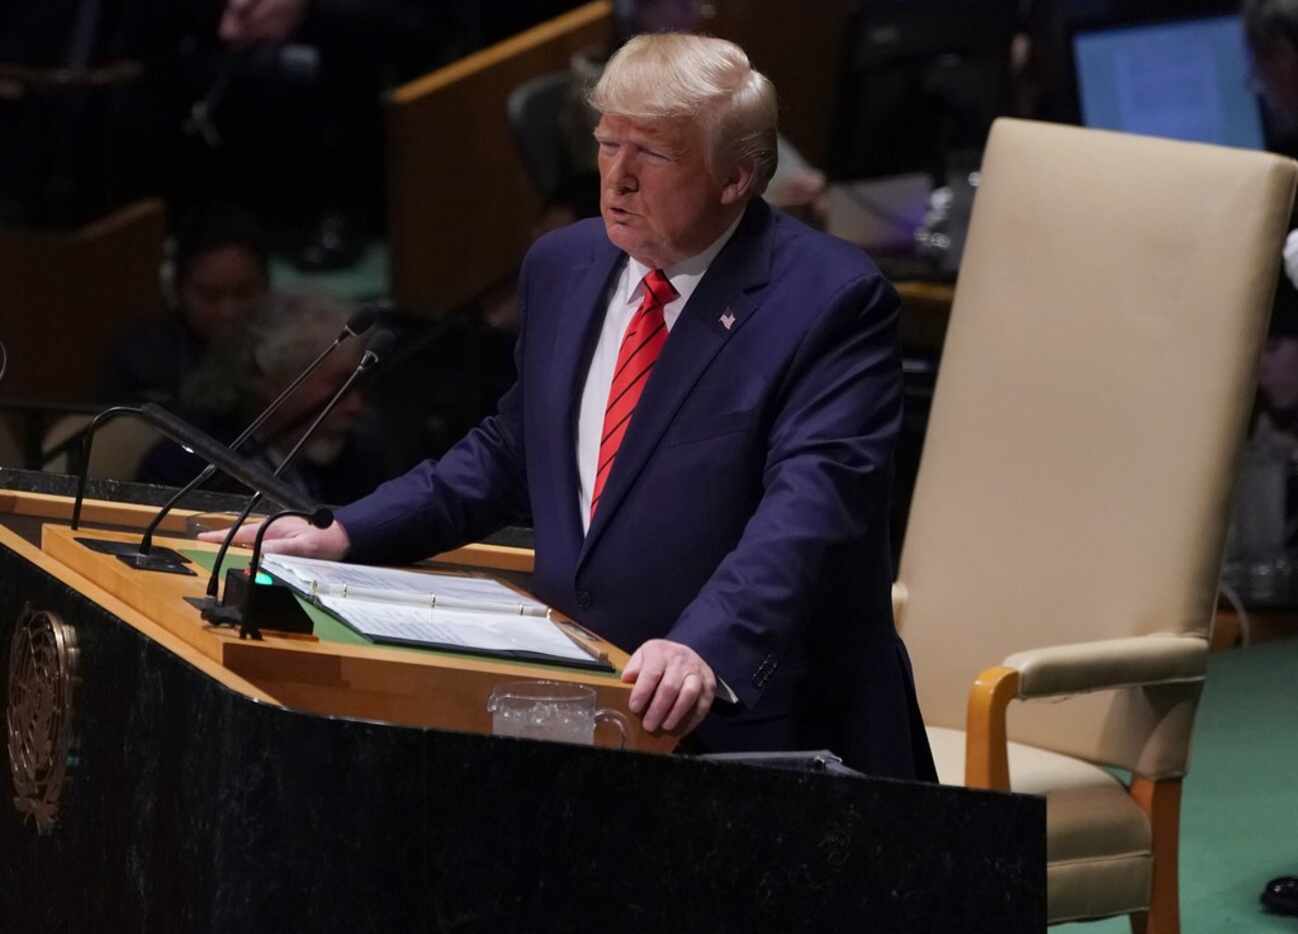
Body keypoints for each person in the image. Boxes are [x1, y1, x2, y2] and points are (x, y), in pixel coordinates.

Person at [209, 34, 936, 780]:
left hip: (758, 725)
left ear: (735, 178)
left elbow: (811, 511)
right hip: (583, 709)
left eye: (650, 155)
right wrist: (345, 533)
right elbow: (510, 451)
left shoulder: (830, 301)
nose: (616, 178)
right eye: (606, 144)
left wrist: (705, 645)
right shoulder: (565, 267)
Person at [138, 289, 391, 504]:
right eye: (338, 384)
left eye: (357, 385)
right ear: (269, 379)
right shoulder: (189, 467)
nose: (355, 405)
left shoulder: (361, 462)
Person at [98, 203, 270, 404]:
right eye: (210, 296)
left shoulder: (294, 343)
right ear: (177, 291)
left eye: (244, 293)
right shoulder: (138, 361)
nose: (228, 312)